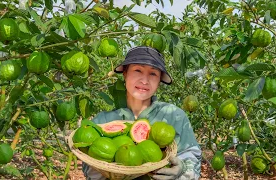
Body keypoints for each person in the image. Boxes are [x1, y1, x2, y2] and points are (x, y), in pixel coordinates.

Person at [82, 46, 202, 180]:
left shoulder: (174, 116)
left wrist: (182, 169)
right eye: (138, 70)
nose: (144, 81)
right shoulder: (102, 121)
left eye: (153, 74)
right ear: (125, 74)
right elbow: (88, 168)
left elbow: (193, 156)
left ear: (159, 81)